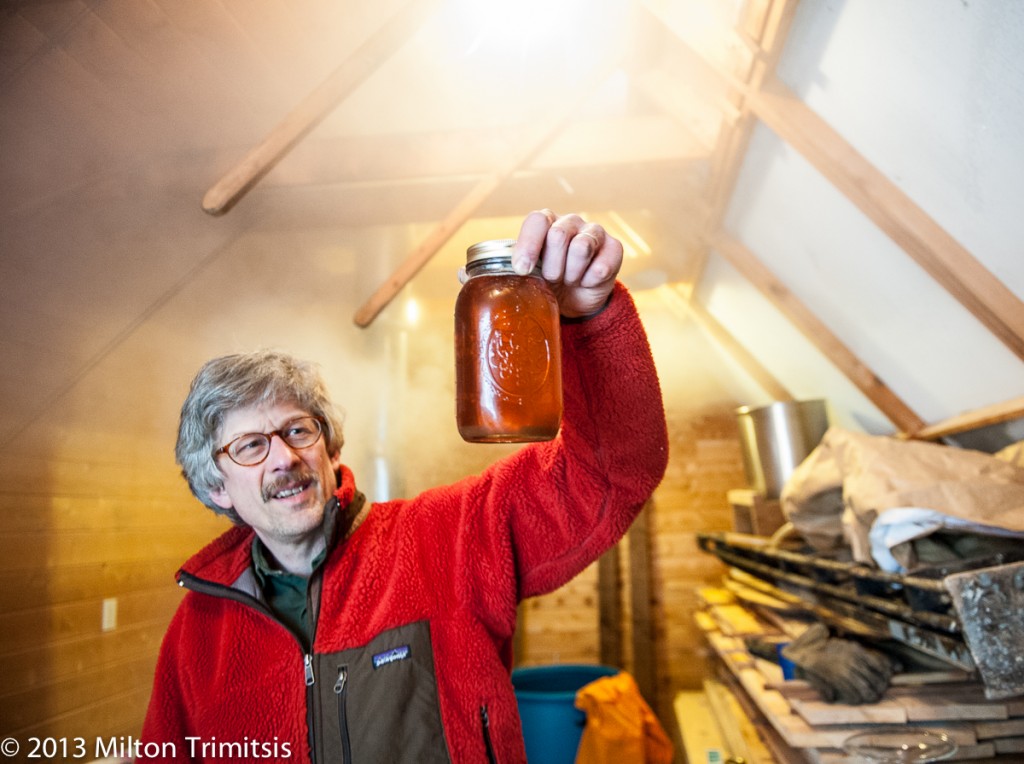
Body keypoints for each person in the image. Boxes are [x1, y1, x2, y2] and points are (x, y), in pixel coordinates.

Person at [139, 210, 669, 763]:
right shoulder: (196, 633)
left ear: (331, 446)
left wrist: (589, 320)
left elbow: (614, 473)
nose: (285, 459)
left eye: (299, 430)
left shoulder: (448, 539)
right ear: (216, 486)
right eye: (251, 446)